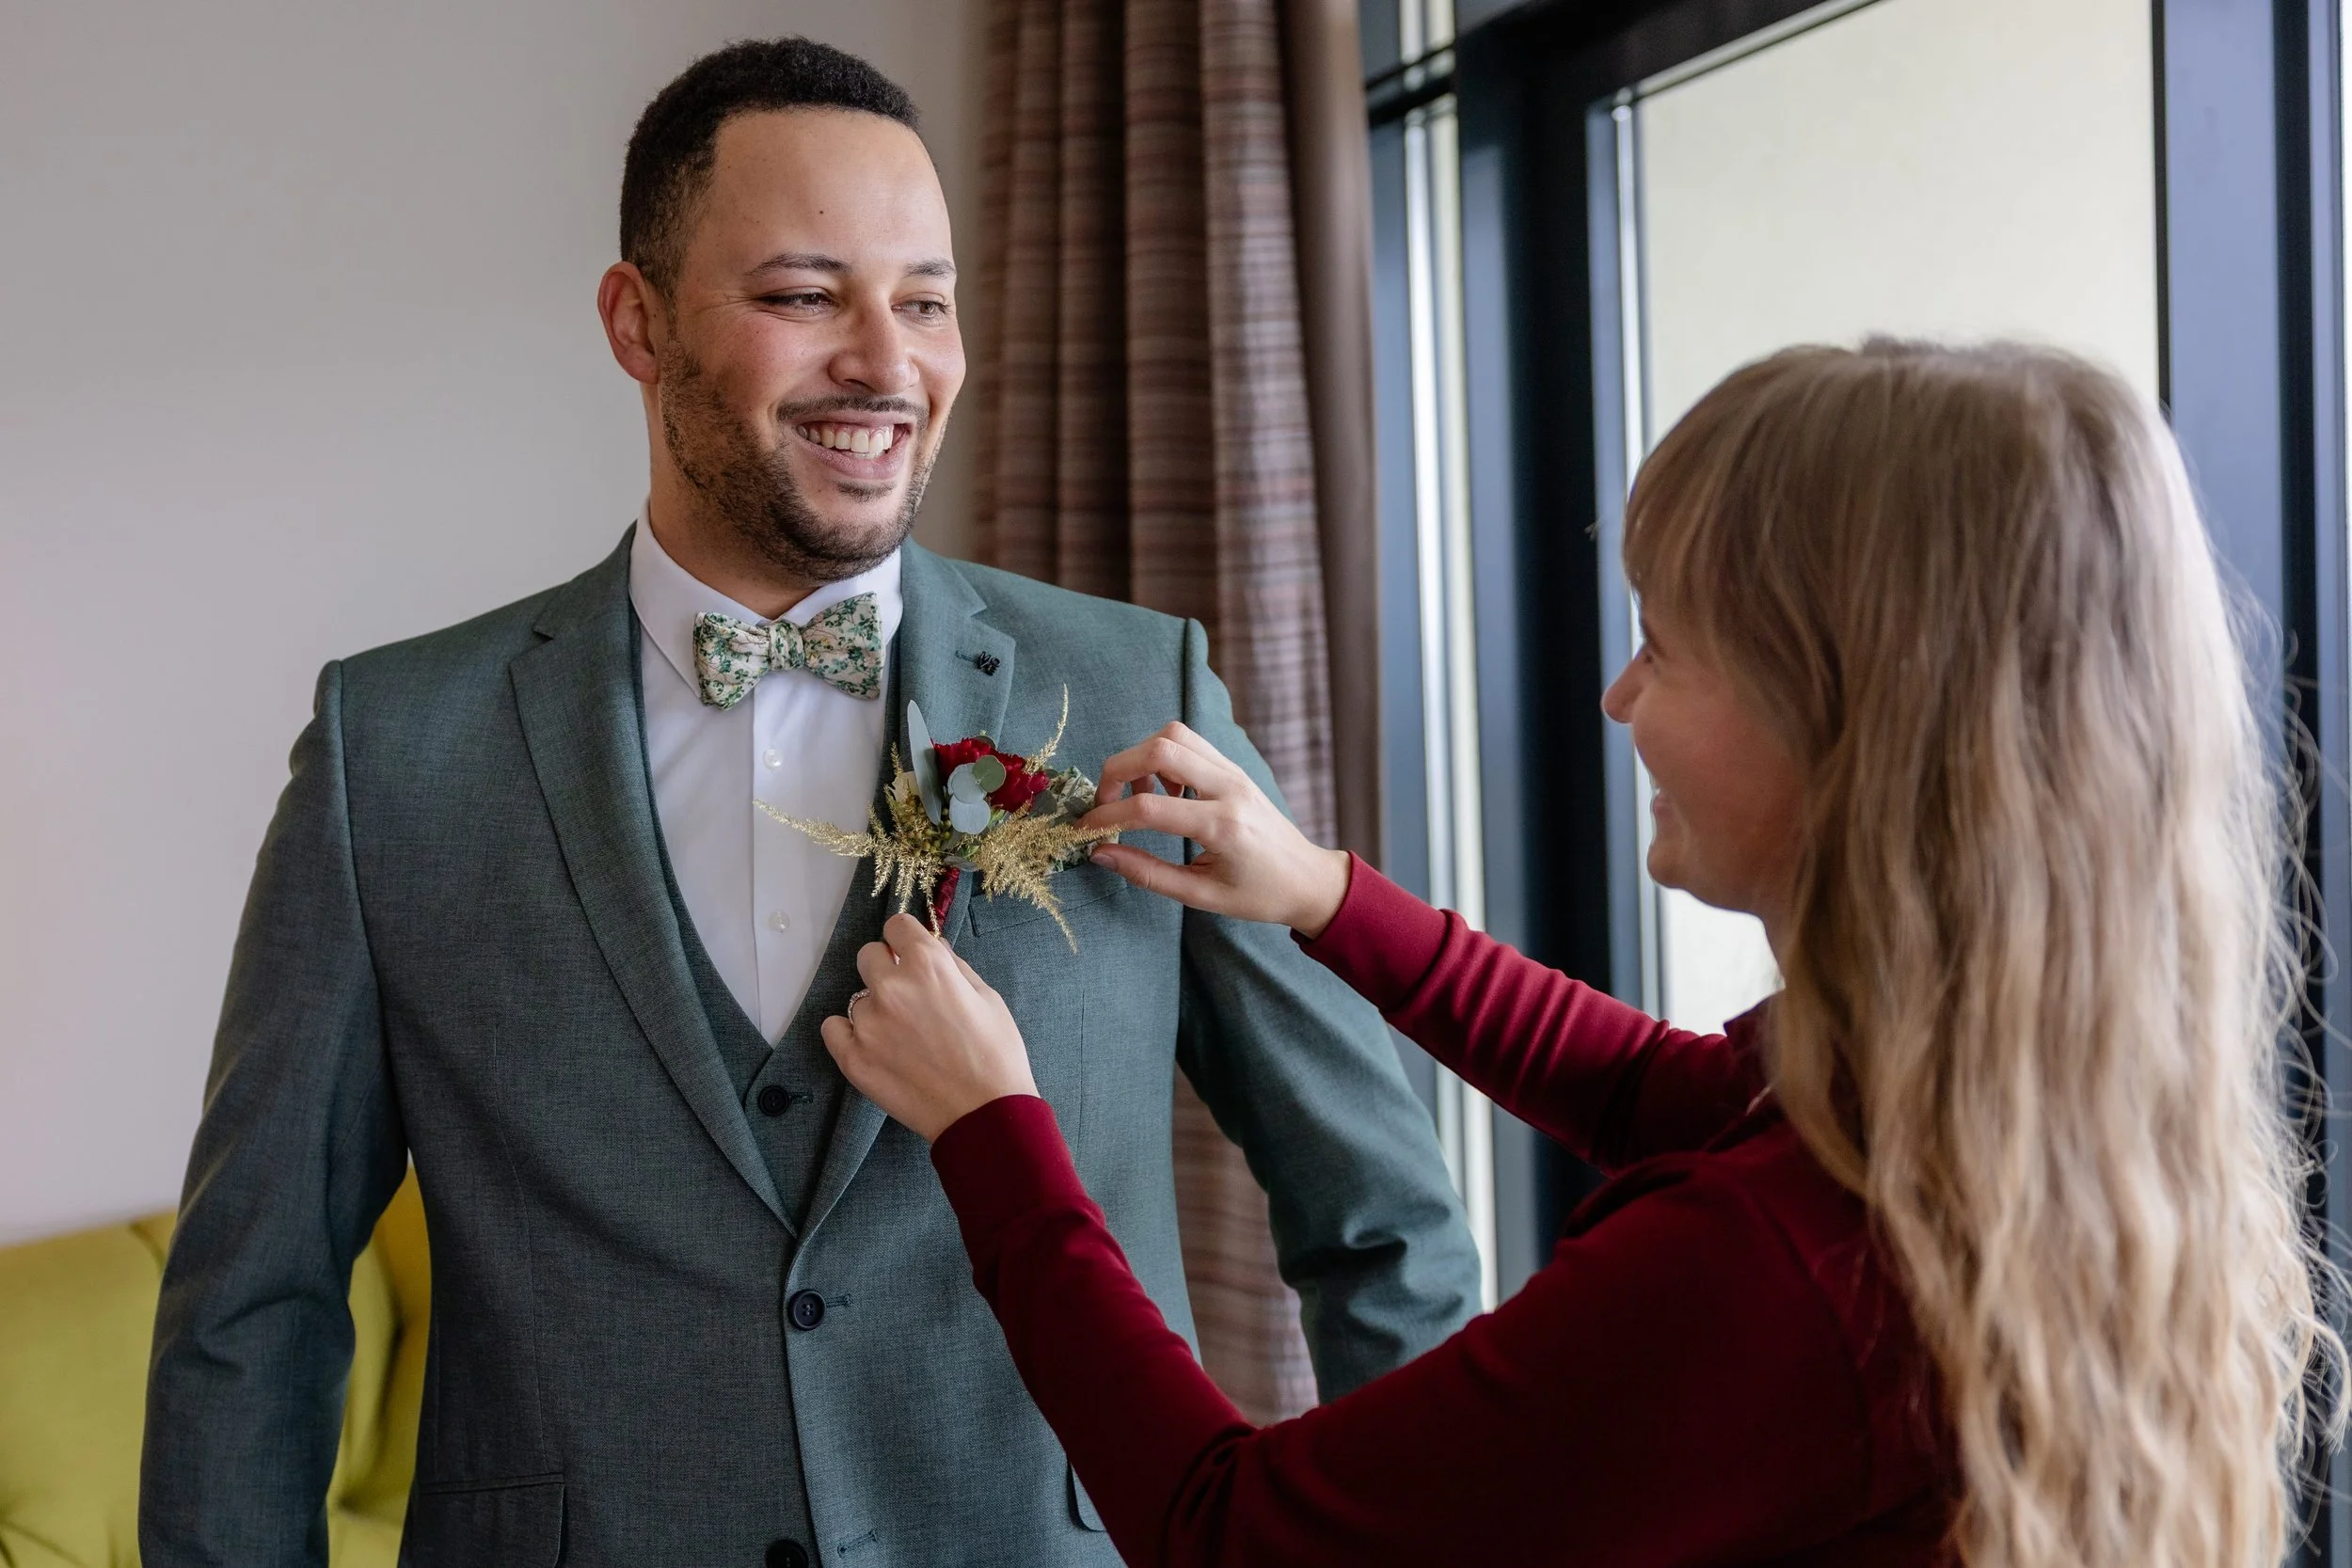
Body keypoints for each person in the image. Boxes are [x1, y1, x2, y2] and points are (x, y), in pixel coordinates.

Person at [139, 37, 1480, 1568]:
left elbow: (1379, 1219)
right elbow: (254, 1312)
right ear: (636, 324)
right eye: (802, 295)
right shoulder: (394, 752)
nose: (888, 363)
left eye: (924, 299)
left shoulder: (1124, 696)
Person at [822, 341, 2347, 1567]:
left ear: (1845, 718)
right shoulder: (1993, 1105)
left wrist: (996, 1137)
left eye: (1668, 644)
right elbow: (1658, 1090)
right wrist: (1323, 891)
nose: (1620, 699)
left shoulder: (1769, 1273)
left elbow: (1235, 1529)